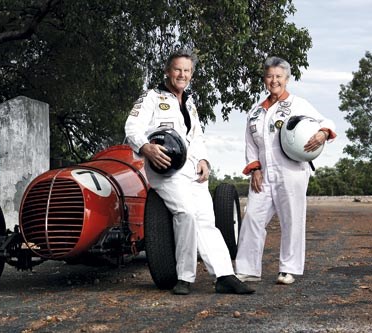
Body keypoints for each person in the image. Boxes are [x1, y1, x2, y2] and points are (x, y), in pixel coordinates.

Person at [125, 48, 254, 295]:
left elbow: (197, 136)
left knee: (206, 220)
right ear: (167, 71)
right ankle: (184, 277)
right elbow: (132, 126)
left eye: (187, 71)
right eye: (177, 69)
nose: (182, 75)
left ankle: (224, 276)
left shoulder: (190, 103)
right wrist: (145, 147)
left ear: (191, 74)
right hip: (166, 170)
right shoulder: (151, 97)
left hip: (193, 170)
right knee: (186, 213)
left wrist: (204, 159)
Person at [235, 56, 337, 285]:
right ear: (264, 79)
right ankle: (247, 269)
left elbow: (327, 121)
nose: (274, 81)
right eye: (270, 76)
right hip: (264, 174)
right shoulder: (255, 113)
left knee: (292, 219)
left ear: (287, 79)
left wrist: (322, 134)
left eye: (278, 76)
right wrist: (255, 170)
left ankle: (288, 269)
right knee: (252, 217)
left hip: (291, 171)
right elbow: (251, 145)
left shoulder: (298, 104)